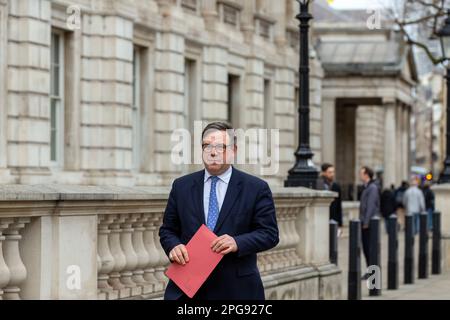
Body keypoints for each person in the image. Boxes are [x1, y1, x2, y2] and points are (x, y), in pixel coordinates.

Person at [159, 121, 279, 300]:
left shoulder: (255, 188)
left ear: (234, 150)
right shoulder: (181, 186)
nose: (212, 152)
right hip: (187, 290)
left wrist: (237, 242)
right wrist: (173, 246)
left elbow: (270, 234)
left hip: (236, 291)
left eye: (220, 147)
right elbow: (167, 230)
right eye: (207, 146)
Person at [359, 166, 380, 279]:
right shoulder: (367, 187)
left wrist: (366, 222)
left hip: (369, 223)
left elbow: (371, 206)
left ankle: (372, 272)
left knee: (370, 248)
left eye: (361, 173)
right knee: (366, 248)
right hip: (365, 222)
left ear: (367, 174)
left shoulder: (372, 188)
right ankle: (370, 271)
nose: (360, 175)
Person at [317, 163, 343, 236]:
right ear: (323, 173)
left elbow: (339, 206)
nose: (332, 174)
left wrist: (340, 223)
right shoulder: (319, 184)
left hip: (333, 219)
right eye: (330, 172)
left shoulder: (336, 186)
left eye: (333, 172)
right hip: (321, 218)